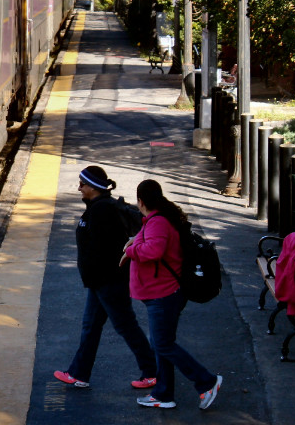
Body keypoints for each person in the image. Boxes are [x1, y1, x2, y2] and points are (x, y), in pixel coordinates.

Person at [120, 179, 222, 409]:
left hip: (163, 294)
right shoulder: (160, 219)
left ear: (141, 201)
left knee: (164, 345)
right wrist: (136, 240)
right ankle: (163, 394)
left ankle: (206, 381)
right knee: (160, 343)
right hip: (161, 293)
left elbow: (154, 250)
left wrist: (131, 249)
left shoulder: (158, 222)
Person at [54, 167, 157, 390]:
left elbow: (108, 249)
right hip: (99, 282)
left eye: (82, 183)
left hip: (108, 282)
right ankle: (79, 373)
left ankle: (152, 371)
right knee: (90, 327)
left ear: (93, 187)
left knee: (125, 325)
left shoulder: (102, 211)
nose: (79, 187)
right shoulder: (97, 208)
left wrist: (99, 277)